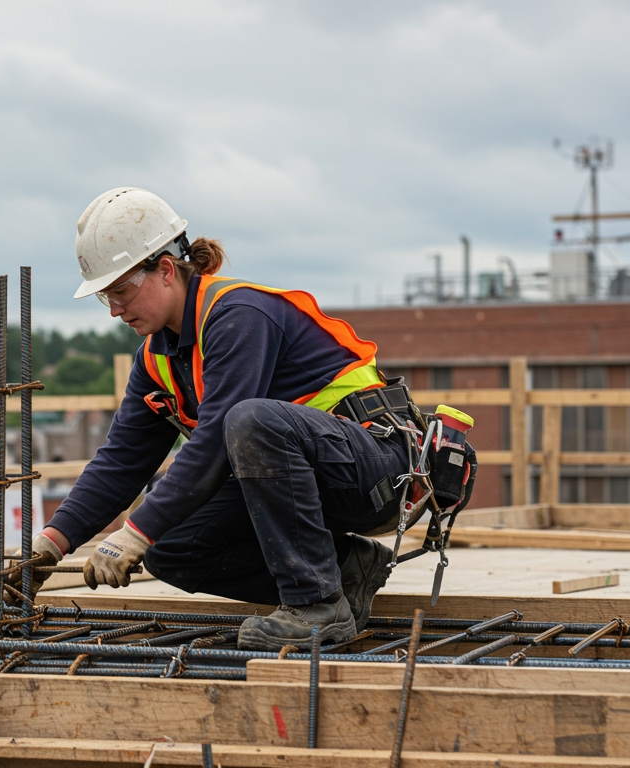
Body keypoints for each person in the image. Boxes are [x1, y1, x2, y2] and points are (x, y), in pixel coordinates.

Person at [23, 187, 437, 651]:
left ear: (164, 270)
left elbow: (220, 436)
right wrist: (51, 544)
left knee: (248, 421)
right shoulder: (158, 358)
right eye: (106, 298)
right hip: (314, 484)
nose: (116, 309)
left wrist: (133, 530)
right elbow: (122, 460)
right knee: (170, 545)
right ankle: (345, 575)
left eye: (121, 290)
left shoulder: (240, 315)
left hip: (381, 471)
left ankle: (315, 604)